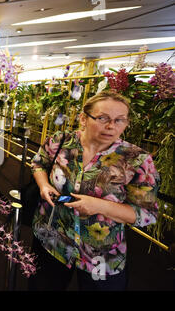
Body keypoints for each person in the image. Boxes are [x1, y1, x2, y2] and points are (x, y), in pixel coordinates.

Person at [28, 90, 160, 291]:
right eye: (103, 118)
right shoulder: (62, 140)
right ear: (83, 118)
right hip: (52, 239)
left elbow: (147, 214)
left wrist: (100, 206)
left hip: (101, 255)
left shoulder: (136, 160)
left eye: (120, 120)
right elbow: (39, 163)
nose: (111, 126)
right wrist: (44, 185)